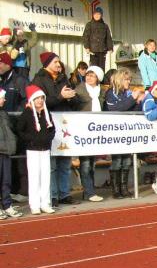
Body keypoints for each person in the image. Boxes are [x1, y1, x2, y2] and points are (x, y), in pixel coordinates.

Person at [32, 51, 78, 207]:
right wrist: (60, 97)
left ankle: (64, 193)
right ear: (47, 64)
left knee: (65, 162)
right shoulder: (39, 80)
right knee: (51, 164)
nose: (59, 64)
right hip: (49, 124)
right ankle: (52, 195)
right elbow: (40, 103)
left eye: (59, 61)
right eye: (55, 62)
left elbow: (74, 100)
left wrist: (72, 97)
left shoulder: (63, 78)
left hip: (65, 124)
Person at [104, 68, 144, 198]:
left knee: (127, 160)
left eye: (129, 79)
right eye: (126, 79)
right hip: (115, 131)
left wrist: (138, 101)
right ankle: (116, 189)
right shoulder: (111, 93)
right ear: (119, 80)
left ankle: (124, 187)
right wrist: (132, 98)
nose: (129, 82)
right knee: (117, 160)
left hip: (127, 130)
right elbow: (117, 108)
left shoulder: (128, 93)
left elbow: (134, 110)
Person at [17, 86, 56, 215]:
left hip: (45, 149)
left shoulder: (46, 113)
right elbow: (20, 130)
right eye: (37, 98)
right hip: (33, 150)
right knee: (34, 177)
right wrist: (31, 139)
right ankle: (34, 204)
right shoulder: (27, 113)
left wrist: (48, 139)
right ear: (32, 100)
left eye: (41, 98)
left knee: (46, 177)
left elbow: (52, 129)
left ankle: (45, 203)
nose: (40, 100)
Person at [73, 65, 105, 202]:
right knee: (85, 163)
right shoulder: (79, 89)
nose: (89, 77)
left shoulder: (101, 91)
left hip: (96, 130)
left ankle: (90, 190)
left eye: (92, 75)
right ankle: (89, 192)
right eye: (88, 75)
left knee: (91, 163)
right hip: (83, 129)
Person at [0, 51, 28, 203]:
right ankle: (11, 190)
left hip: (17, 126)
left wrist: (17, 116)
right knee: (9, 159)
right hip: (5, 127)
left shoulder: (19, 80)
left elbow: (26, 99)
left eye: (0, 63)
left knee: (21, 159)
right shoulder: (3, 81)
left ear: (7, 64)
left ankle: (23, 191)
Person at [0, 87, 22, 218]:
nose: (4, 100)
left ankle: (7, 205)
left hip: (6, 151)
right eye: (2, 98)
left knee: (6, 180)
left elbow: (10, 130)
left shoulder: (3, 113)